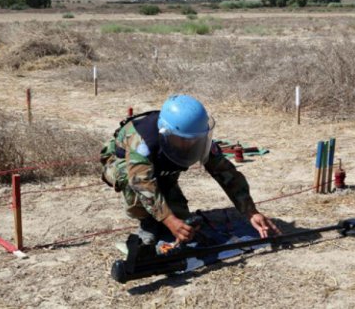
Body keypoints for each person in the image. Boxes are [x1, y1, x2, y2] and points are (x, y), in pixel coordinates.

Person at [101, 94, 280, 245]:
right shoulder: (142, 141)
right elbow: (141, 182)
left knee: (183, 222)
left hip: (161, 170)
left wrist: (250, 211)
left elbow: (226, 173)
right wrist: (169, 220)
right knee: (133, 183)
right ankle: (147, 222)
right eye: (184, 139)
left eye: (194, 139)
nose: (191, 143)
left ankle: (164, 202)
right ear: (167, 133)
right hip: (123, 164)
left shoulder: (197, 138)